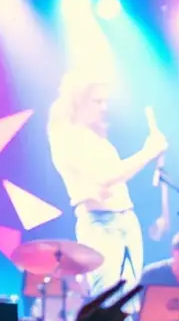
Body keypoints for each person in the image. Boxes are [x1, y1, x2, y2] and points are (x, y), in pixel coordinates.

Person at [47, 70, 167, 300]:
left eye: (105, 101)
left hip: (125, 220)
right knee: (109, 302)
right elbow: (108, 176)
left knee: (128, 301)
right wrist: (149, 151)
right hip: (101, 224)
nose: (104, 107)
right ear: (78, 101)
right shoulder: (69, 137)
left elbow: (112, 179)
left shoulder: (97, 140)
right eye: (97, 101)